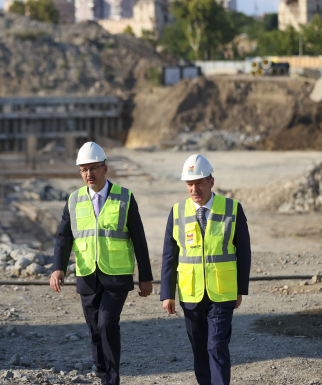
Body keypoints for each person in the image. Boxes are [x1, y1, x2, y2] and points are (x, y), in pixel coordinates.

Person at [50, 142, 153, 385]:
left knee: (107, 322)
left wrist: (145, 277)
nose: (88, 174)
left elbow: (139, 238)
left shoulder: (125, 197)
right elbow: (64, 237)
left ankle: (112, 380)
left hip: (116, 276)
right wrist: (58, 268)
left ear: (105, 168)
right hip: (87, 275)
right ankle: (103, 375)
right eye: (83, 170)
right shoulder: (74, 200)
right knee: (95, 329)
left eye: (93, 168)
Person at [160, 154, 251, 385]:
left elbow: (244, 252)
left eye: (199, 182)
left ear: (211, 181)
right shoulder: (177, 212)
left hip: (222, 292)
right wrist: (167, 293)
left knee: (216, 346)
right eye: (190, 184)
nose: (194, 188)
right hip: (191, 294)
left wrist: (240, 289)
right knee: (199, 349)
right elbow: (170, 256)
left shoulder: (232, 209)